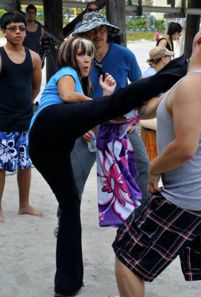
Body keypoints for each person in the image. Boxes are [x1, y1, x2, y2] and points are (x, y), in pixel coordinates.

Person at [28, 35, 187, 297]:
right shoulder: (66, 73)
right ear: (70, 56)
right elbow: (67, 97)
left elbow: (90, 115)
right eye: (81, 54)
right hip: (48, 125)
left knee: (70, 206)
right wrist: (104, 105)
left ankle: (67, 283)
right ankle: (178, 69)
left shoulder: (87, 85)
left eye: (89, 54)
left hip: (48, 148)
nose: (87, 58)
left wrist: (101, 110)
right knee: (118, 101)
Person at [113, 12, 201, 297]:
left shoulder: (193, 85)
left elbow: (185, 148)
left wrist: (153, 168)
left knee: (128, 258)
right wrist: (128, 105)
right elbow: (165, 104)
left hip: (189, 201)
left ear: (198, 39)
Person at [72, 12, 150, 204]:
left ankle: (145, 216)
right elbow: (68, 95)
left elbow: (139, 90)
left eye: (101, 29)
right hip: (88, 123)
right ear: (84, 34)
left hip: (121, 122)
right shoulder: (76, 59)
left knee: (143, 165)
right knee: (74, 173)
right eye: (91, 31)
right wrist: (79, 125)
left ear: (107, 31)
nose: (97, 35)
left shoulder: (124, 55)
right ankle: (66, 218)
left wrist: (135, 118)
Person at [0, 12, 43, 224]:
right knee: (0, 165)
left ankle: (24, 204)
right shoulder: (0, 56)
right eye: (12, 28)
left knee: (25, 164)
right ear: (4, 31)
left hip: (25, 119)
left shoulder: (34, 57)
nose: (18, 32)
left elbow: (35, 87)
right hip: (2, 121)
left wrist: (25, 105)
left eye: (21, 28)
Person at [140, 46, 174, 160]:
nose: (171, 60)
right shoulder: (152, 76)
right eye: (170, 57)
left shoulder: (154, 73)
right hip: (150, 122)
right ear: (163, 58)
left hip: (151, 120)